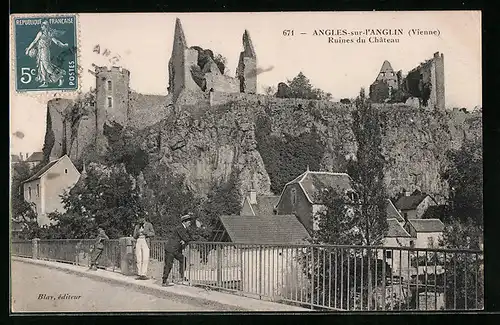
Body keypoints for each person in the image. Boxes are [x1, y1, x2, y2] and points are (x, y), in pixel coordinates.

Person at [24, 20, 69, 87]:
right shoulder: (40, 33)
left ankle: (59, 76)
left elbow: (56, 41)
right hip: (39, 51)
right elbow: (34, 41)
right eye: (42, 25)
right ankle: (45, 82)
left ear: (47, 26)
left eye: (44, 25)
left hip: (45, 51)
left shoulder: (49, 34)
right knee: (41, 67)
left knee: (47, 66)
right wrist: (29, 49)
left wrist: (63, 45)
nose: (42, 26)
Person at [162, 214, 194, 286]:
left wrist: (185, 240)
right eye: (189, 221)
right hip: (170, 249)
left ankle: (181, 278)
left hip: (175, 250)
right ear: (184, 222)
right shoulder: (180, 228)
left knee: (183, 260)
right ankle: (164, 281)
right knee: (168, 265)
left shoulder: (185, 229)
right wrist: (185, 240)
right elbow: (186, 237)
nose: (190, 223)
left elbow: (191, 237)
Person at [133, 215, 155, 280]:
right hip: (138, 241)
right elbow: (134, 236)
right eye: (139, 219)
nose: (140, 220)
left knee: (145, 258)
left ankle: (144, 274)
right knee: (138, 258)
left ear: (144, 218)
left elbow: (153, 233)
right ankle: (139, 273)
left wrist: (146, 233)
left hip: (145, 241)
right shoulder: (137, 226)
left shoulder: (149, 225)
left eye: (141, 218)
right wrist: (138, 232)